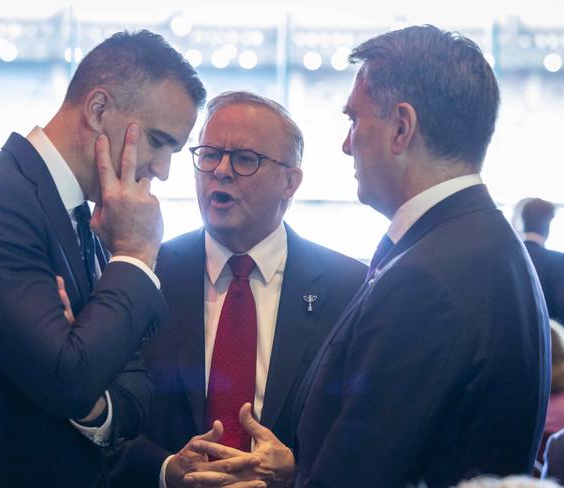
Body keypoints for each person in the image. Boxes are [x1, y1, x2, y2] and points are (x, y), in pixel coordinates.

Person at [183, 25, 550, 488]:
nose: (346, 142)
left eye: (354, 120)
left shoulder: (427, 278)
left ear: (401, 127)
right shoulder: (481, 243)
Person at [0, 30, 206, 487]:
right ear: (98, 109)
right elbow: (69, 378)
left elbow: (134, 385)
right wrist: (134, 255)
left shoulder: (86, 218)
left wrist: (92, 399)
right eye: (157, 140)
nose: (163, 170)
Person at [106, 91, 367, 487]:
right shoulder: (145, 275)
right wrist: (166, 470)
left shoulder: (348, 288)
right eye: (209, 154)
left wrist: (296, 471)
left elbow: (363, 435)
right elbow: (101, 421)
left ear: (290, 182)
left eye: (246, 159)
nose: (221, 171)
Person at [519, 198, 564, 324]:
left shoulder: (508, 257)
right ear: (548, 223)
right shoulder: (559, 261)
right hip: (551, 339)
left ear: (522, 221)